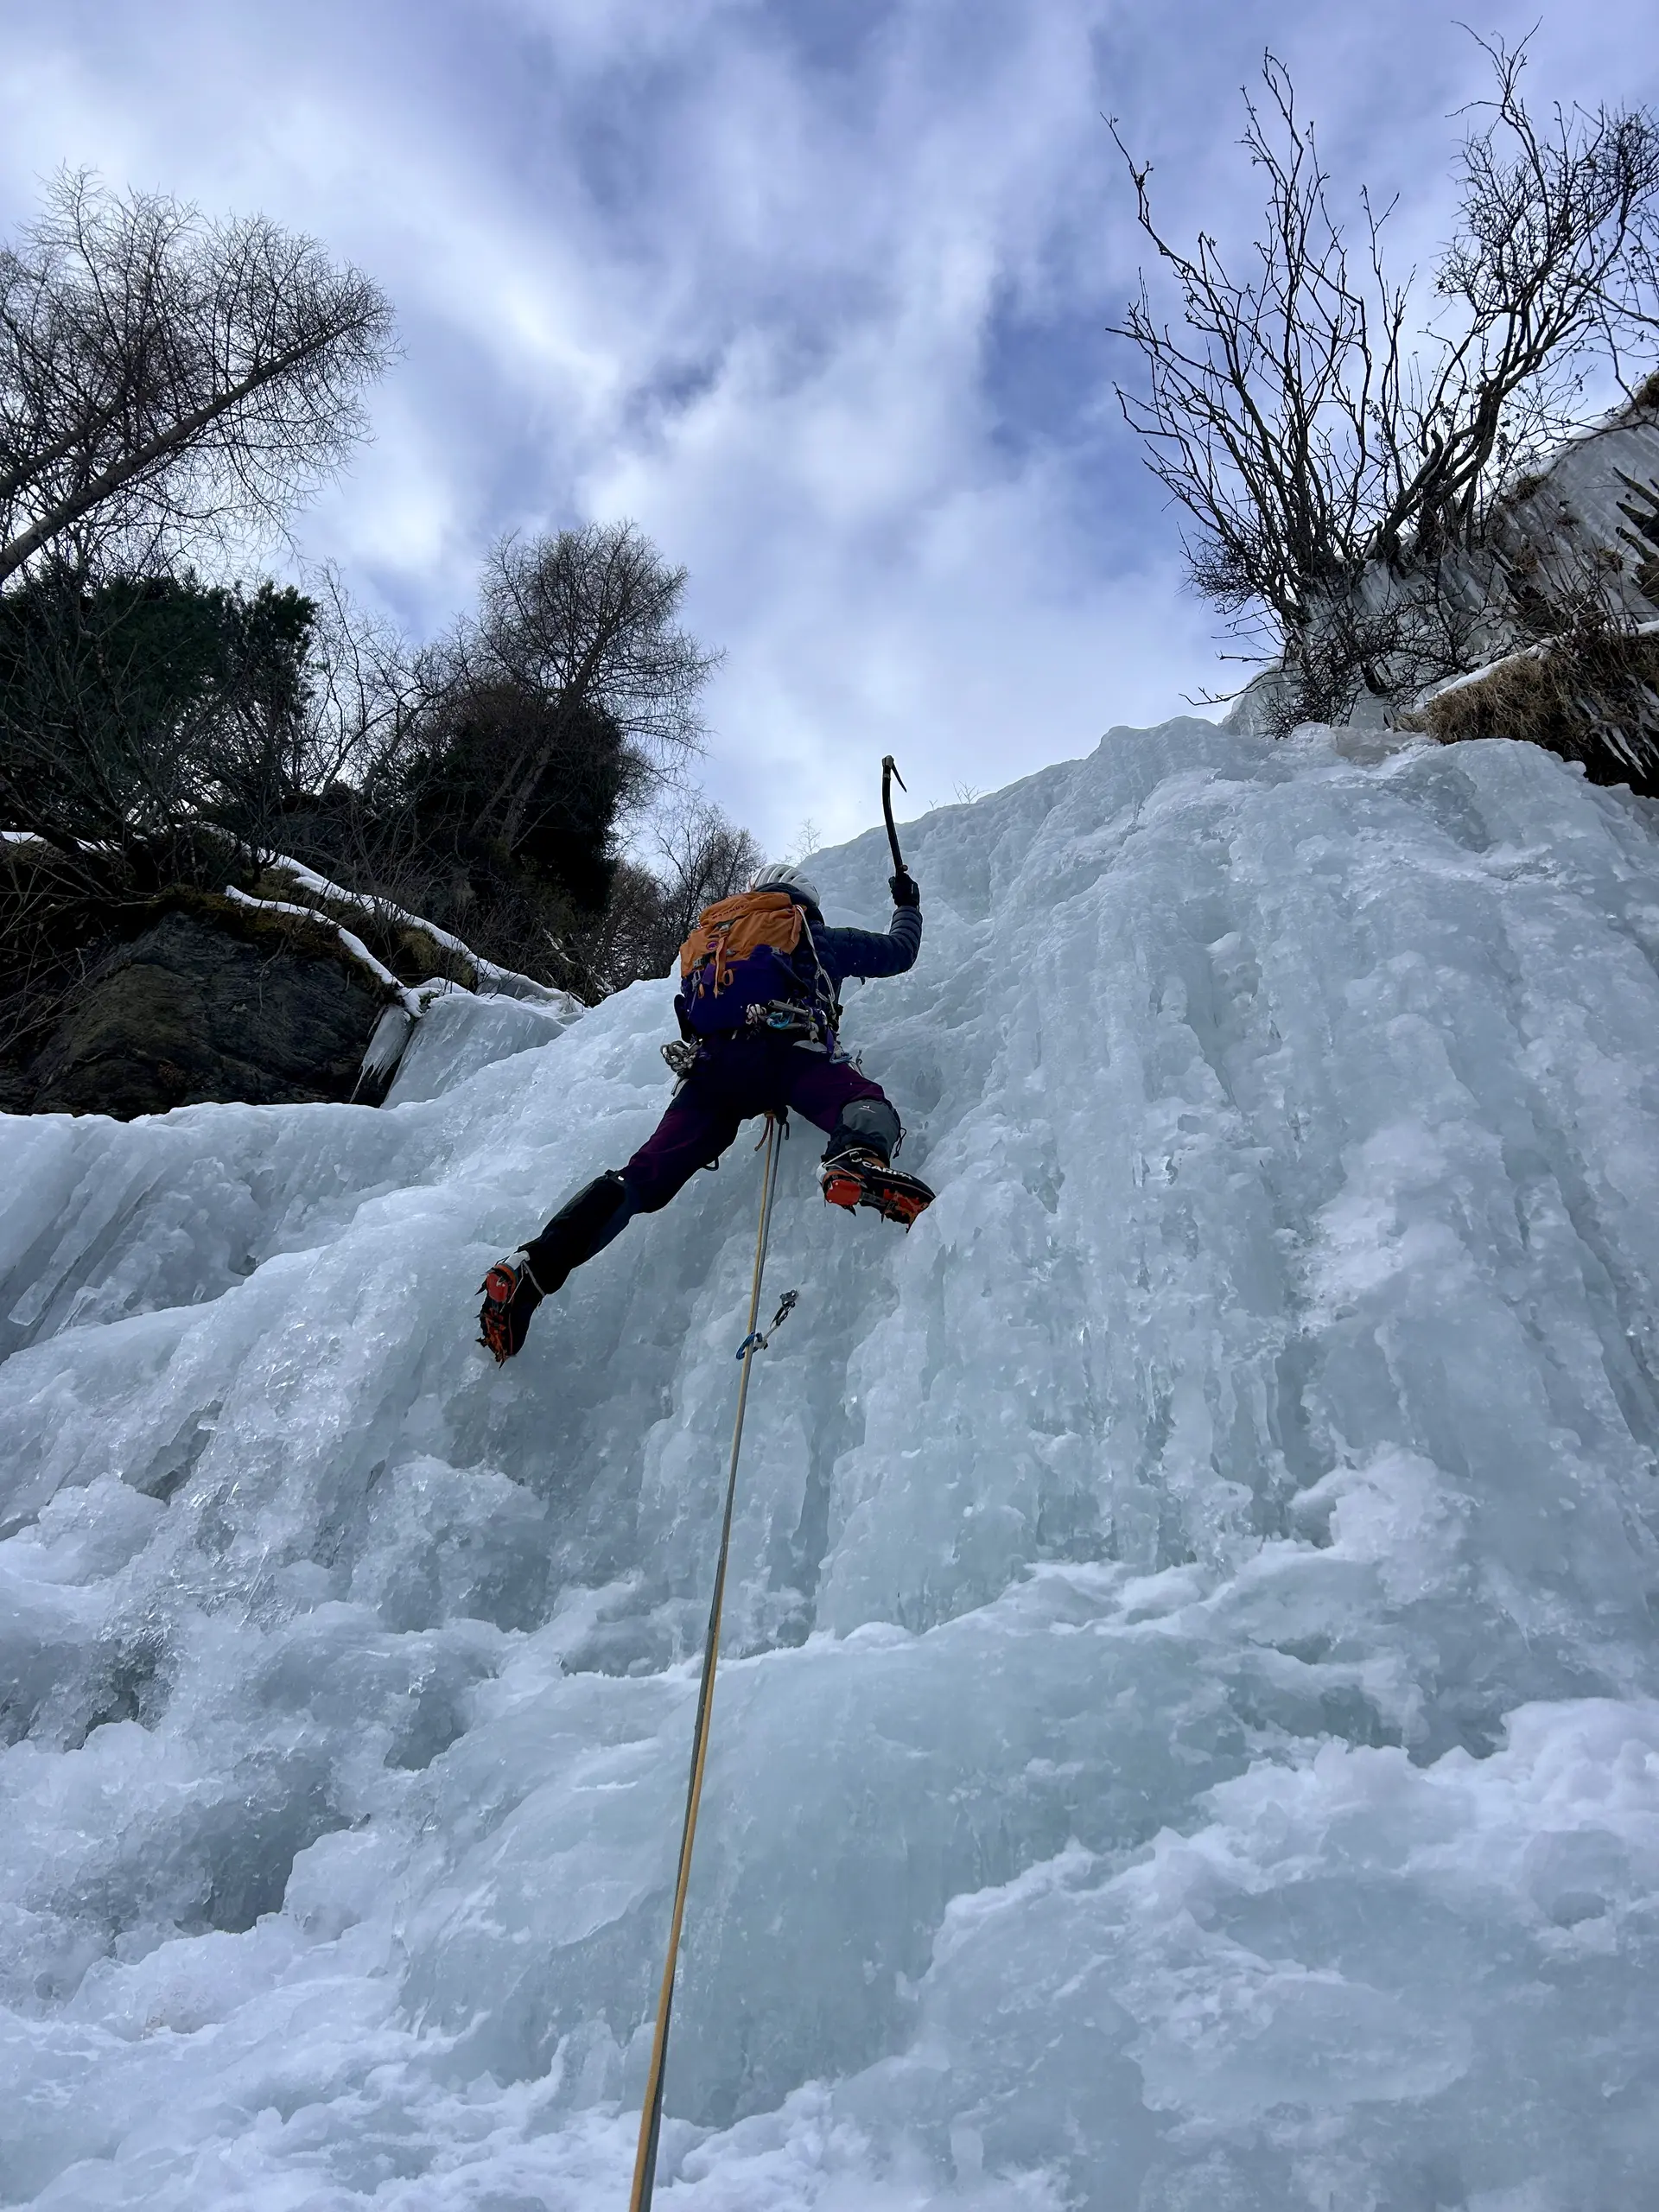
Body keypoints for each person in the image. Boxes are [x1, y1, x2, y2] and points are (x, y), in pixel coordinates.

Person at [478, 860, 933, 1362]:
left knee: (638, 1180)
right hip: (787, 1058)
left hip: (710, 1074)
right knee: (863, 1103)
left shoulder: (716, 939)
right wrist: (906, 904)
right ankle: (857, 1159)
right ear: (808, 904)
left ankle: (533, 1266)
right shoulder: (813, 934)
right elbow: (901, 953)